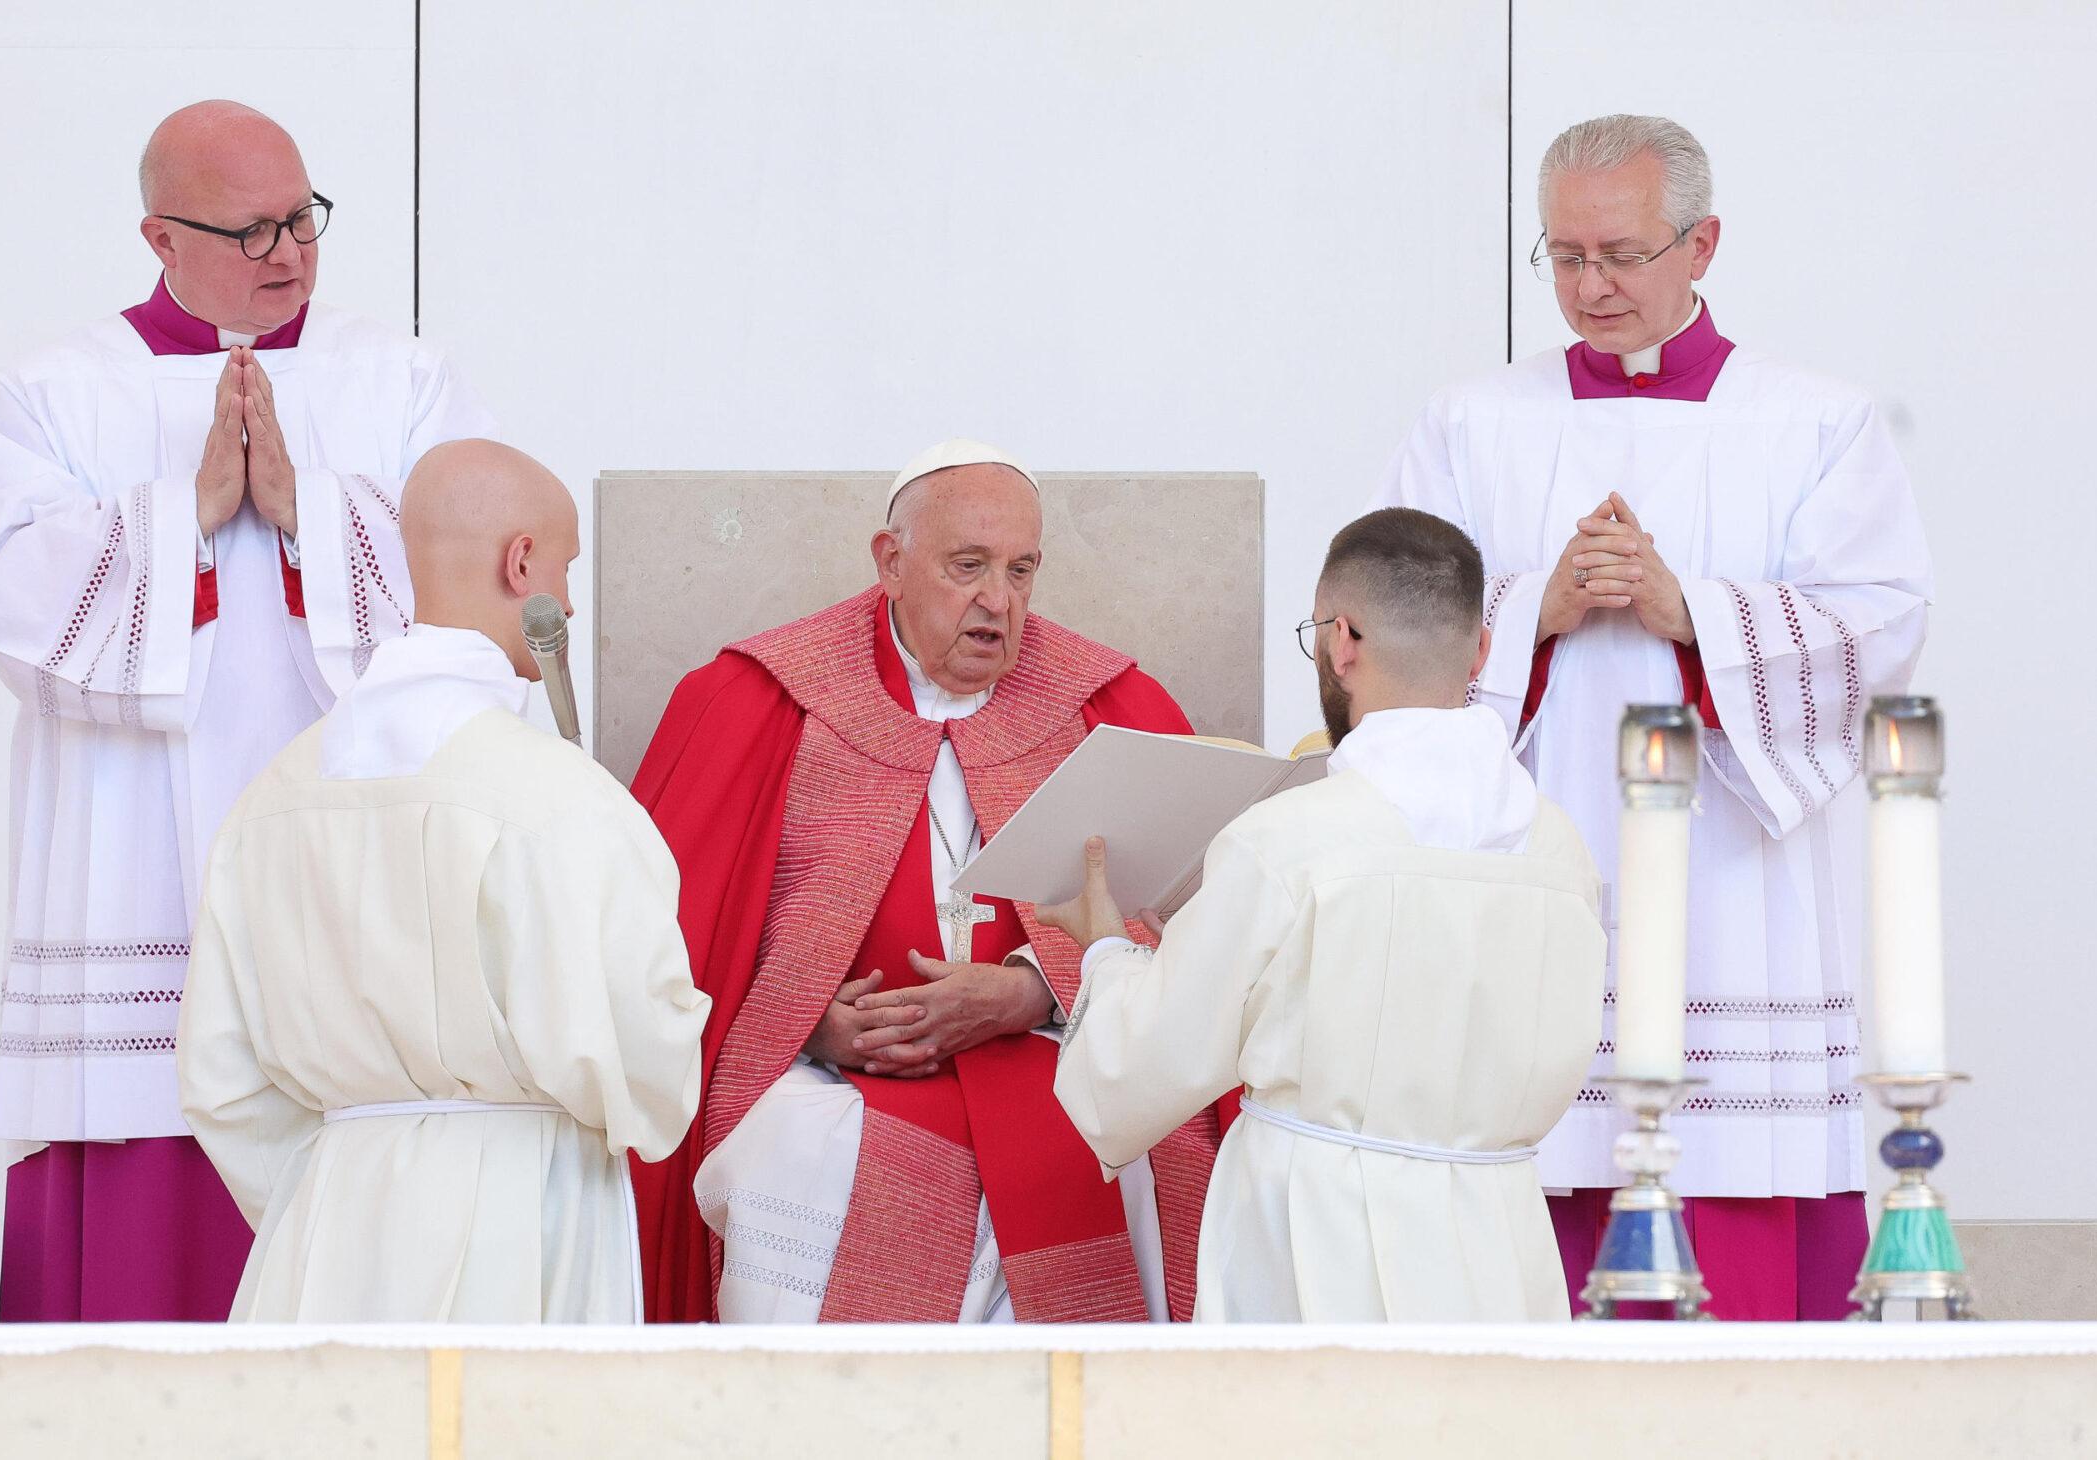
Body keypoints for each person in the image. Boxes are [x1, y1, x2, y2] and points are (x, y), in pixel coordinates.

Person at [1372, 114, 1933, 1319]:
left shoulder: (1814, 421)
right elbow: (1383, 628)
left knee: (1731, 1203)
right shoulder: (1473, 423)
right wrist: (1537, 611)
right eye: (1563, 256)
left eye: (1620, 254)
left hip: (1737, 891)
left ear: (1701, 243)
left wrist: (1692, 613)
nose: (1590, 285)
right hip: (1531, 868)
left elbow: (1880, 623)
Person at [0, 100, 497, 1321]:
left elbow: (478, 595)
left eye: (304, 219)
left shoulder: (403, 380)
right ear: (160, 237)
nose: (290, 253)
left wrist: (314, 512)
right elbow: (11, 605)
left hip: (347, 852)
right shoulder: (48, 394)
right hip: (128, 852)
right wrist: (181, 514)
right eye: (251, 231)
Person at [629, 439, 1227, 1323]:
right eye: (968, 567)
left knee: (1132, 1151)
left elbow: (1194, 922)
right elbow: (676, 948)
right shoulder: (763, 701)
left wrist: (1033, 992)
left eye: (1022, 571)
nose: (999, 602)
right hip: (834, 1080)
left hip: (1052, 1055)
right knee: (786, 1152)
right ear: (890, 561)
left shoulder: (1106, 707)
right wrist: (808, 1026)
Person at [178, 440, 706, 1322]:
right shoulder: (558, 798)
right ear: (522, 561)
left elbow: (222, 1083)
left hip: (326, 1229)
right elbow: (643, 1059)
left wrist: (332, 1187)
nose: (569, 602)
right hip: (522, 1214)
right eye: (566, 568)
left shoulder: (271, 801)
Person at [1038, 508, 1604, 1321]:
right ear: (1481, 650)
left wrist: (1105, 951)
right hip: (1497, 1245)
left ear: (1342, 640)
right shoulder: (1560, 850)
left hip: (1313, 1238)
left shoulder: (1289, 841)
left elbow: (1140, 1068)